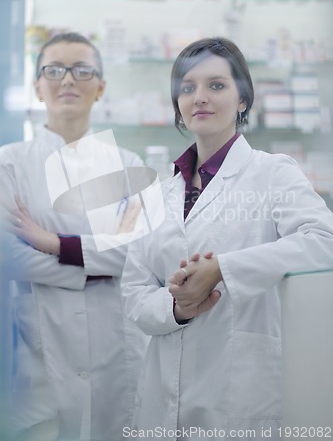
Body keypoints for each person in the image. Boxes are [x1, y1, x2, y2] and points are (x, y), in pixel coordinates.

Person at [121, 37, 333, 441]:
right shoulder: (156, 193)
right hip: (161, 390)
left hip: (236, 390)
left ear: (242, 99)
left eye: (216, 85)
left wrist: (223, 269)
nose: (200, 97)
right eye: (188, 87)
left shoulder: (273, 173)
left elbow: (324, 239)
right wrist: (179, 307)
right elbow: (133, 292)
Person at [0, 32, 148, 441]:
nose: (68, 80)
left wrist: (51, 242)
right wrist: (95, 269)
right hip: (40, 342)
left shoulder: (128, 163)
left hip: (116, 342)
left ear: (100, 87)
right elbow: (9, 254)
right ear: (37, 87)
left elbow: (140, 254)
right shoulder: (9, 163)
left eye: (82, 71)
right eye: (54, 70)